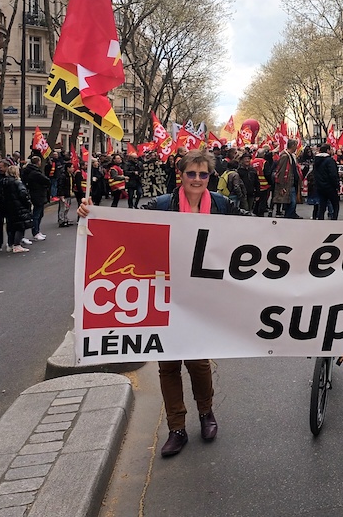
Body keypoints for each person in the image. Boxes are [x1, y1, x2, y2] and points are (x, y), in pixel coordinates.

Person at [78, 149, 234, 458]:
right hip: (165, 292)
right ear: (181, 174)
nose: (198, 180)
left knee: (199, 361)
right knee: (168, 364)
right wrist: (92, 213)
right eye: (192, 173)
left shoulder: (222, 205)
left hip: (203, 294)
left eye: (204, 174)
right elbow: (128, 227)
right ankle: (176, 427)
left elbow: (254, 236)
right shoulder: (162, 205)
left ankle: (206, 414)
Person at [0, 165, 34, 253]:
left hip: (8, 207)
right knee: (20, 226)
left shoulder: (3, 182)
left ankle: (10, 244)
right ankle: (17, 245)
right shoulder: (17, 182)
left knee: (11, 226)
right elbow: (23, 194)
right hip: (19, 207)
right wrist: (28, 204)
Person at [21, 156, 50, 242]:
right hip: (37, 194)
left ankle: (37, 230)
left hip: (37, 194)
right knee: (37, 214)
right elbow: (46, 180)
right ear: (38, 162)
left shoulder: (29, 171)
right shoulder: (35, 173)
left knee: (40, 213)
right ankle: (35, 232)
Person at [272, 139, 302, 219]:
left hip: (292, 182)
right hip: (287, 182)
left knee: (291, 201)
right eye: (296, 145)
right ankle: (289, 216)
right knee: (292, 202)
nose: (297, 147)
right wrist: (281, 185)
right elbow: (281, 170)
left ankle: (291, 214)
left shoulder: (292, 155)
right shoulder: (285, 156)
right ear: (292, 146)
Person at [310, 144, 340, 220]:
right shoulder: (330, 160)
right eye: (330, 149)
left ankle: (321, 219)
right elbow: (333, 174)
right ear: (327, 150)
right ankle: (334, 219)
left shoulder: (316, 160)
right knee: (335, 204)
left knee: (322, 205)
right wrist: (336, 185)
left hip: (320, 186)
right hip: (330, 187)